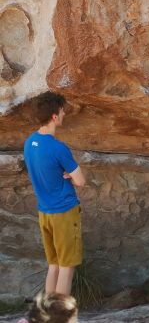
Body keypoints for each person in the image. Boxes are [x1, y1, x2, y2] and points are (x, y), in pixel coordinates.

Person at [23, 92, 86, 296]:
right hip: (64, 213)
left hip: (45, 213)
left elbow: (43, 169)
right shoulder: (58, 148)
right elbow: (81, 181)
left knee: (54, 265)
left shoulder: (29, 143)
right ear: (54, 116)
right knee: (67, 268)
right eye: (62, 110)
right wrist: (68, 174)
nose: (64, 113)